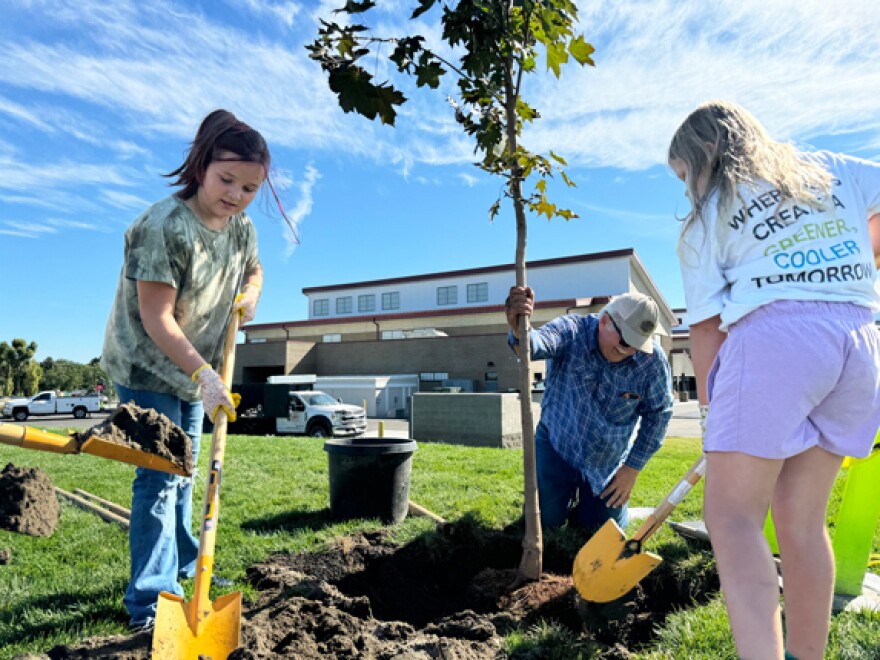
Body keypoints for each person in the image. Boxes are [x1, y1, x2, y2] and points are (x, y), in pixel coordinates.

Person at [668, 100, 880, 660]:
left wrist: (717, 418)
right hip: (858, 343)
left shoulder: (705, 218)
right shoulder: (830, 167)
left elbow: (708, 330)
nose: (687, 188)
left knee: (732, 518)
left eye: (684, 175)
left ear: (700, 159)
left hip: (773, 342)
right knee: (802, 521)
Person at [101, 109, 269, 631]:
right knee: (159, 477)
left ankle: (187, 568)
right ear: (200, 165)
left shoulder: (240, 228)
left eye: (249, 187)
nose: (236, 195)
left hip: (197, 368)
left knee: (188, 472)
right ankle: (151, 603)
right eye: (226, 180)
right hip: (148, 364)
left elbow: (254, 268)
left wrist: (252, 293)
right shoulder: (163, 228)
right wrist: (205, 376)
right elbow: (156, 316)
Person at [505, 288, 674, 531]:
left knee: (602, 532)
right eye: (625, 341)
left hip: (607, 462)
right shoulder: (571, 331)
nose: (630, 351)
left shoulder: (652, 362)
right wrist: (519, 329)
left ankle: (585, 512)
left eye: (638, 345)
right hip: (557, 445)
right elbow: (536, 345)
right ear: (605, 320)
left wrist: (631, 469)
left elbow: (659, 415)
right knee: (545, 523)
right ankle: (555, 507)